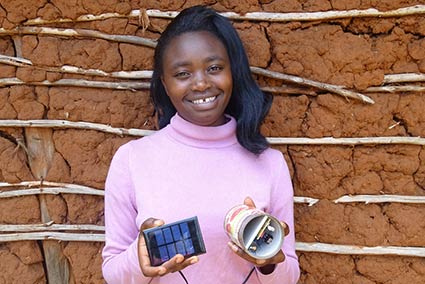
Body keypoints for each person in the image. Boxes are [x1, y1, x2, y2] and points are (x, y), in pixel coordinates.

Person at [102, 5, 300, 284]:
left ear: (234, 71)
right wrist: (139, 258)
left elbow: (289, 276)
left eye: (214, 68)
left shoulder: (268, 163)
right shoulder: (133, 160)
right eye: (183, 74)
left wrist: (269, 263)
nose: (200, 84)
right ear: (164, 82)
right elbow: (112, 273)